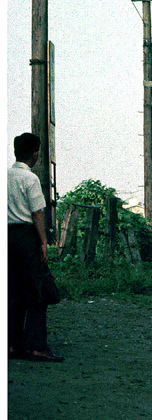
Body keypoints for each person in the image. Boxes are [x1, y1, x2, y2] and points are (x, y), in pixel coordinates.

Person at [8, 132, 63, 362]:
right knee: (36, 290)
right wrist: (43, 242)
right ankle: (36, 345)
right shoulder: (30, 179)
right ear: (35, 153)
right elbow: (37, 213)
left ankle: (11, 344)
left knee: (11, 290)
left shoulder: (6, 176)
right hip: (26, 236)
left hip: (7, 236)